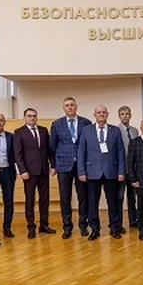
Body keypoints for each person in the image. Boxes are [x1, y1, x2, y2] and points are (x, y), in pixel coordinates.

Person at [78, 105, 126, 240]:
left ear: (107, 114)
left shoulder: (115, 130)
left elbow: (120, 152)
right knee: (92, 203)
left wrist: (121, 171)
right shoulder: (86, 130)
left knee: (113, 202)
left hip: (111, 171)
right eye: (98, 112)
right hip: (92, 172)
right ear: (94, 115)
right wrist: (81, 172)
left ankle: (114, 228)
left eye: (103, 112)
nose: (101, 114)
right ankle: (95, 229)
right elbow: (81, 152)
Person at [50, 97, 91, 239]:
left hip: (81, 166)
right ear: (64, 108)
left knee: (83, 197)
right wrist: (54, 165)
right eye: (67, 105)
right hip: (63, 165)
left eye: (72, 105)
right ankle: (67, 227)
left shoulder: (86, 123)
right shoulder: (57, 124)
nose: (70, 107)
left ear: (76, 107)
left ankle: (83, 225)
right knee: (65, 198)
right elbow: (52, 146)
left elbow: (89, 145)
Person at [13, 108, 56, 239]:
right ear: (25, 117)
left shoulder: (43, 130)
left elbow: (49, 150)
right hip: (29, 172)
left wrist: (53, 165)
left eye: (34, 116)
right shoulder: (19, 132)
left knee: (45, 199)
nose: (32, 118)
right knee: (30, 200)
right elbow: (18, 154)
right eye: (29, 116)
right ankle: (31, 227)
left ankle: (44, 225)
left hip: (43, 170)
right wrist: (22, 170)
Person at [117, 105, 140, 229]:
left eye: (127, 114)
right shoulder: (115, 130)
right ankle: (118, 223)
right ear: (119, 116)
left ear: (130, 115)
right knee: (119, 197)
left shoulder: (135, 131)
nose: (125, 116)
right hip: (121, 169)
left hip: (133, 170)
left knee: (132, 197)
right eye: (122, 114)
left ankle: (133, 220)